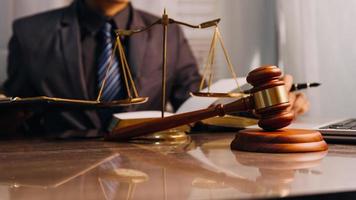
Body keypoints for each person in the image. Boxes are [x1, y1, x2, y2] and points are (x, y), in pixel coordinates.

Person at [0, 0, 309, 137]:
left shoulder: (167, 32)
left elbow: (195, 102)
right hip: (61, 175)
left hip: (152, 169)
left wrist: (256, 106)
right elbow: (15, 112)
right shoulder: (32, 33)